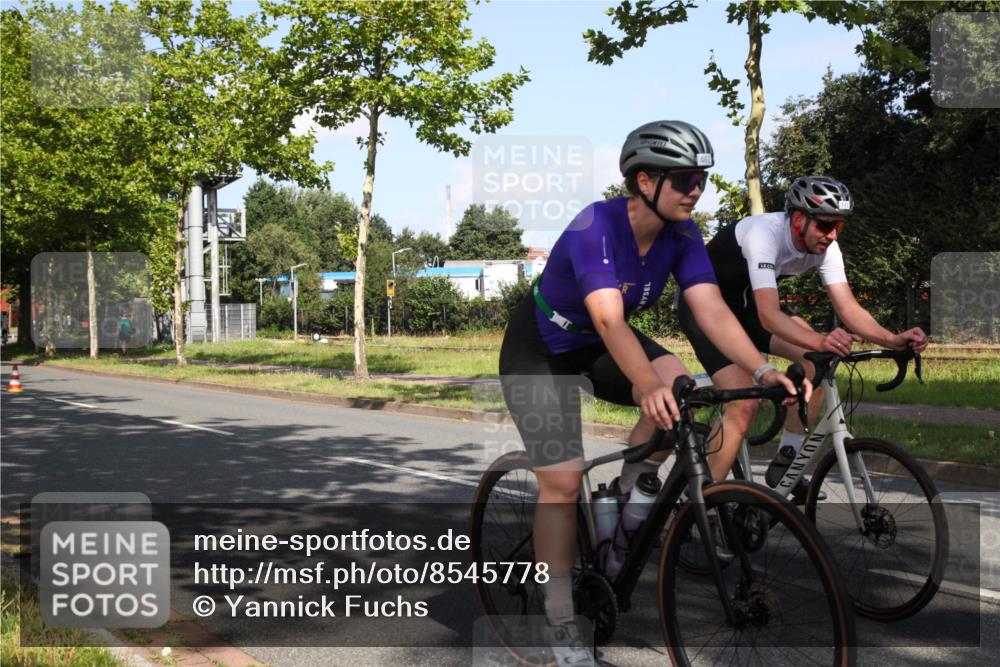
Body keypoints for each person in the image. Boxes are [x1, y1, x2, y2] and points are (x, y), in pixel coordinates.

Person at [498, 120, 805, 666]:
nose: (695, 191)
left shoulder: (682, 234)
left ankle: (625, 496)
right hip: (542, 349)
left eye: (702, 181)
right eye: (685, 179)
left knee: (681, 390)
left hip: (596, 341)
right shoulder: (597, 224)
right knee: (564, 480)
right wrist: (643, 384)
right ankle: (560, 616)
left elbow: (711, 308)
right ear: (644, 181)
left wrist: (759, 370)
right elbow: (609, 318)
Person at [678, 175, 928, 500]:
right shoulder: (763, 234)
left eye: (839, 226)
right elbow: (770, 315)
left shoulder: (827, 247)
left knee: (817, 364)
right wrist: (819, 340)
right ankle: (697, 504)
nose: (833, 234)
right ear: (798, 219)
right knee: (744, 403)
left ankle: (787, 463)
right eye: (825, 225)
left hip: (746, 307)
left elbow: (848, 307)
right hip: (704, 309)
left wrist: (891, 339)